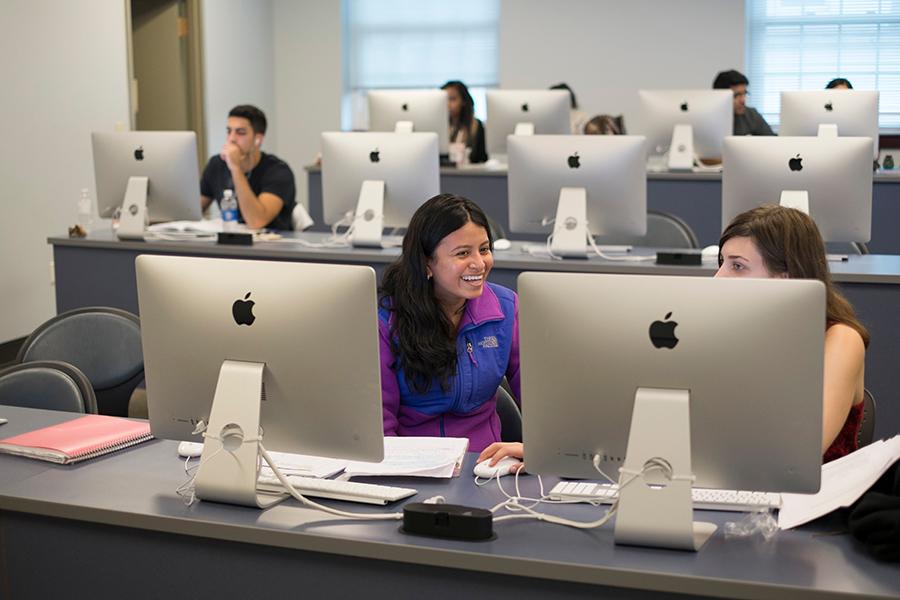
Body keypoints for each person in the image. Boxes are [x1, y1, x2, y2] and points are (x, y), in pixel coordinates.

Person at [478, 204, 868, 468]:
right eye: (722, 263)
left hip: (816, 518)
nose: (719, 278)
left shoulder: (839, 339)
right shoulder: (724, 333)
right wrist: (562, 454)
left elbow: (801, 451)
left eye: (737, 266)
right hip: (733, 493)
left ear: (787, 275)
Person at [378, 194, 519, 452]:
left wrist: (534, 451)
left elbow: (542, 404)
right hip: (410, 470)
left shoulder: (506, 308)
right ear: (427, 263)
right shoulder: (386, 320)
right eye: (463, 253)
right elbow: (379, 426)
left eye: (484, 249)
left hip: (485, 469)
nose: (479, 263)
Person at [200, 105, 296, 230]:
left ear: (258, 140)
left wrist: (235, 168)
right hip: (230, 243)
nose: (231, 139)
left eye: (240, 132)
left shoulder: (279, 171)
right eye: (229, 131)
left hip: (270, 245)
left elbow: (256, 221)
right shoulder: (216, 164)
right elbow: (192, 211)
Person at [712, 69, 774, 136]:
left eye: (744, 93)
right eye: (736, 95)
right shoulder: (709, 119)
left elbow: (772, 141)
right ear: (719, 96)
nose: (743, 100)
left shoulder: (752, 115)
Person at [441, 81, 488, 164]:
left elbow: (482, 159)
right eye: (445, 100)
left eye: (452, 99)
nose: (447, 104)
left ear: (464, 101)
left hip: (470, 174)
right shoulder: (439, 127)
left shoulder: (476, 126)